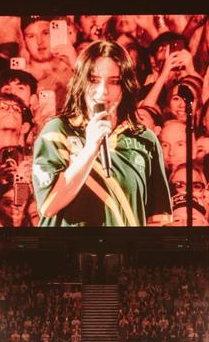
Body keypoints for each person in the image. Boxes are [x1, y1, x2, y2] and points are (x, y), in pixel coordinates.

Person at [32, 41, 174, 227]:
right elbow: (49, 205)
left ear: (125, 86)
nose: (103, 91)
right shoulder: (57, 131)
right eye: (94, 80)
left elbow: (158, 220)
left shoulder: (145, 139)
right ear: (80, 82)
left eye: (114, 82)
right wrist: (90, 149)